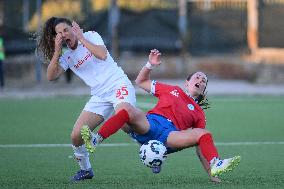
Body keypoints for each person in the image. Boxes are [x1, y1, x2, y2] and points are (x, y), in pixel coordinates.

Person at [81, 49, 241, 183]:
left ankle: (216, 164)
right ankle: (96, 139)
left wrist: (211, 174)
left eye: (204, 80)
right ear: (187, 82)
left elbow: (200, 145)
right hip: (150, 125)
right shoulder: (172, 90)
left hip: (170, 136)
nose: (200, 79)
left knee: (204, 134)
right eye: (197, 77)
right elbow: (141, 81)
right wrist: (150, 64)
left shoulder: (199, 113)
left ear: (203, 90)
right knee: (126, 109)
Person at [36, 17, 137, 181]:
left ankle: (148, 145)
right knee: (76, 136)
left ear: (74, 28)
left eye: (66, 30)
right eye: (59, 33)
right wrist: (56, 52)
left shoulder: (90, 35)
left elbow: (103, 54)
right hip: (99, 95)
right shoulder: (66, 55)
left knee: (125, 122)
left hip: (118, 84)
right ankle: (86, 170)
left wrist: (81, 38)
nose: (63, 35)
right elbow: (50, 76)